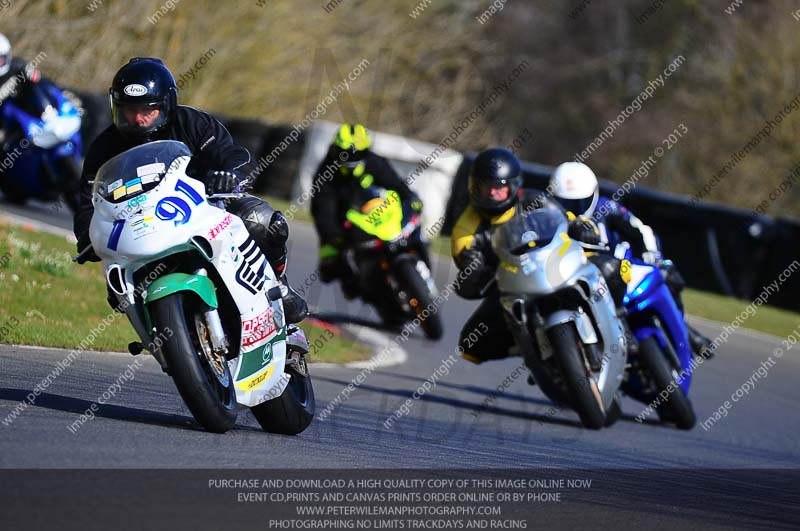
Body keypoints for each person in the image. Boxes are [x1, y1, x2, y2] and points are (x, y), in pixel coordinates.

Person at [72, 57, 307, 324]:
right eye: (128, 110)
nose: (137, 118)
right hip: (139, 227)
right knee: (119, 291)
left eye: (147, 110)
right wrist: (87, 236)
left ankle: (279, 285)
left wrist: (229, 176)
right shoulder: (103, 147)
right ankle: (165, 340)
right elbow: (87, 201)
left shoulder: (192, 123)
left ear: (166, 106)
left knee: (262, 221)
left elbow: (233, 154)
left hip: (202, 209)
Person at [450, 147, 612, 364]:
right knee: (470, 344)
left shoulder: (535, 200)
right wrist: (476, 278)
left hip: (554, 266)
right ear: (473, 187)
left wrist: (583, 229)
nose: (491, 193)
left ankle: (616, 318)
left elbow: (569, 220)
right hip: (510, 288)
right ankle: (528, 348)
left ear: (513, 186)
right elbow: (471, 269)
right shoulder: (465, 230)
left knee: (613, 268)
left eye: (499, 187)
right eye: (485, 187)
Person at [548, 161, 713, 358]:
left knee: (668, 274)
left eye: (580, 202)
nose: (574, 209)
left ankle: (686, 332)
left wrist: (652, 254)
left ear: (592, 195)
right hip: (578, 278)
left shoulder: (607, 208)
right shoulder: (549, 217)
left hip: (620, 267)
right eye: (566, 202)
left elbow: (641, 230)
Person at [311, 123, 425, 297]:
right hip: (344, 221)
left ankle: (421, 263)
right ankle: (362, 287)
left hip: (376, 213)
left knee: (415, 225)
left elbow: (394, 183)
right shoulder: (326, 173)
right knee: (330, 264)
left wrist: (411, 198)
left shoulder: (373, 161)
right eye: (346, 153)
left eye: (358, 153)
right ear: (336, 150)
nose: (352, 157)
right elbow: (322, 210)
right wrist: (333, 235)